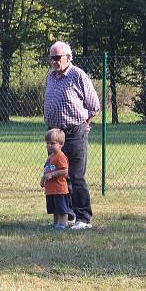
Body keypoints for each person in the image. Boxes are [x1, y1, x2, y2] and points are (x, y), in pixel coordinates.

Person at [43, 41, 100, 230]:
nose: (54, 61)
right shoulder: (50, 76)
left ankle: (83, 218)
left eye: (57, 58)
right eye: (51, 58)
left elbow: (94, 106)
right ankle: (66, 215)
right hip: (56, 135)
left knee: (75, 175)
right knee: (60, 176)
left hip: (74, 131)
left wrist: (85, 125)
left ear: (68, 57)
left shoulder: (78, 75)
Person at [40, 128, 72, 231]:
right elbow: (46, 170)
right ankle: (56, 224)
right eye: (47, 143)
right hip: (51, 190)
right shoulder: (50, 157)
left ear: (61, 144)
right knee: (54, 209)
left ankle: (62, 224)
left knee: (61, 209)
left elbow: (65, 171)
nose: (49, 145)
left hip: (59, 189)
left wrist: (52, 175)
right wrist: (43, 179)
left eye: (52, 143)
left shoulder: (60, 157)